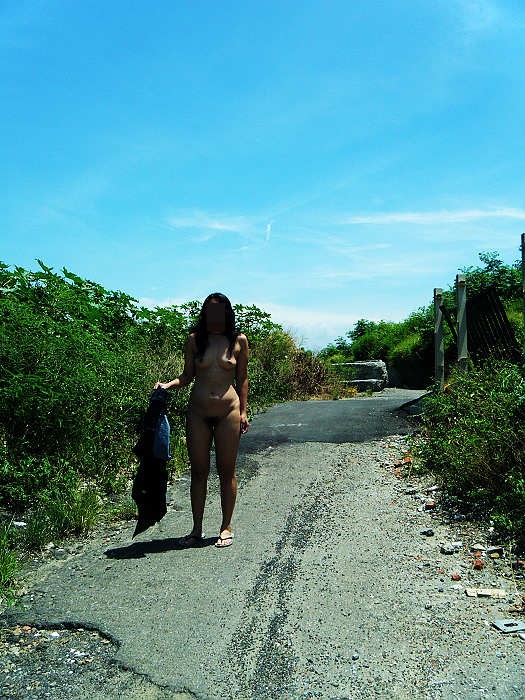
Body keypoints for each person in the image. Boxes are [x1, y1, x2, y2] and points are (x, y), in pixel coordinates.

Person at [154, 293, 249, 548]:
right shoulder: (195, 340)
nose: (215, 316)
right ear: (205, 314)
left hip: (229, 410)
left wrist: (243, 411)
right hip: (198, 412)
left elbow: (242, 378)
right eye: (210, 312)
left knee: (226, 470)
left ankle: (226, 526)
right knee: (198, 471)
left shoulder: (238, 340)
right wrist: (167, 385)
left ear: (227, 313)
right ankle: (196, 529)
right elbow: (187, 375)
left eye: (220, 312)